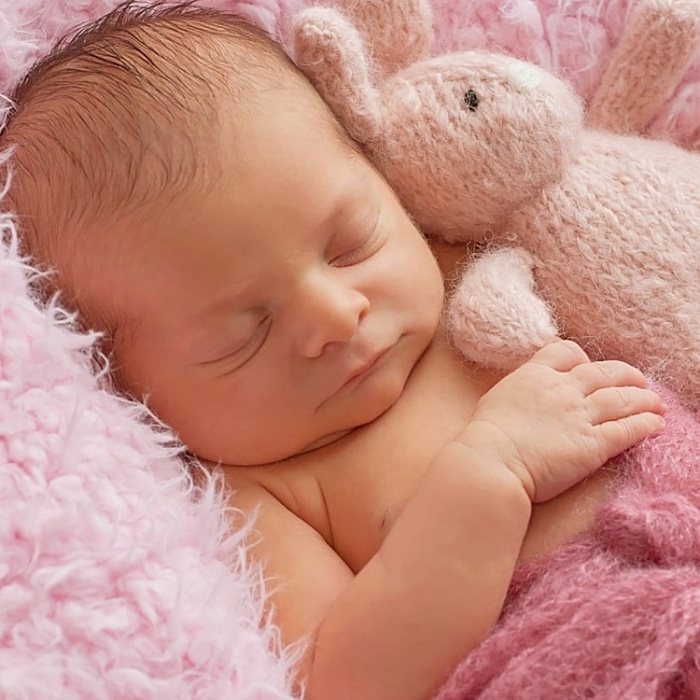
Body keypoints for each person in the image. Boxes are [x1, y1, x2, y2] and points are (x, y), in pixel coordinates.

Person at [0, 2, 666, 698]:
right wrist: (488, 474)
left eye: (349, 244)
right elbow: (348, 682)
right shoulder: (261, 495)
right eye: (244, 333)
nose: (337, 317)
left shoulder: (461, 263)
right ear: (130, 387)